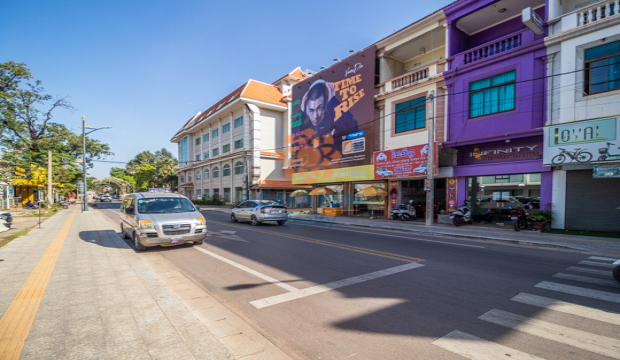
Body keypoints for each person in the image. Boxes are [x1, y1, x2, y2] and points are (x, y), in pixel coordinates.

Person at [300, 80, 360, 153]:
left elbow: (351, 127)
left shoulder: (333, 124)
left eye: (319, 108)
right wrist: (301, 113)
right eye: (311, 110)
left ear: (325, 107)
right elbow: (294, 138)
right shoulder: (305, 129)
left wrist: (333, 102)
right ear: (307, 110)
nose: (315, 116)